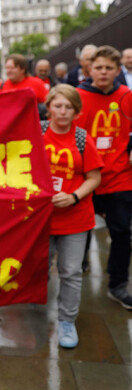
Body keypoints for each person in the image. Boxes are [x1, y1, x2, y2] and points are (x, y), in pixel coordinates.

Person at [42, 84, 103, 348]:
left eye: (69, 107)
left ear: (76, 112)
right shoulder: (36, 133)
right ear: (48, 109)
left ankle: (67, 320)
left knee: (70, 272)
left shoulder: (82, 139)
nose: (63, 111)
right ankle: (35, 308)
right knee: (37, 268)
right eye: (58, 106)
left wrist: (74, 196)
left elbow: (94, 177)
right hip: (41, 219)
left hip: (75, 219)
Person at [75, 45, 132, 310]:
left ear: (118, 70)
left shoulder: (126, 95)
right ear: (90, 68)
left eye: (109, 68)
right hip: (84, 177)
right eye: (98, 67)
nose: (103, 72)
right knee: (80, 231)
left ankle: (118, 284)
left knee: (122, 232)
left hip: (119, 176)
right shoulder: (78, 96)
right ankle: (77, 267)